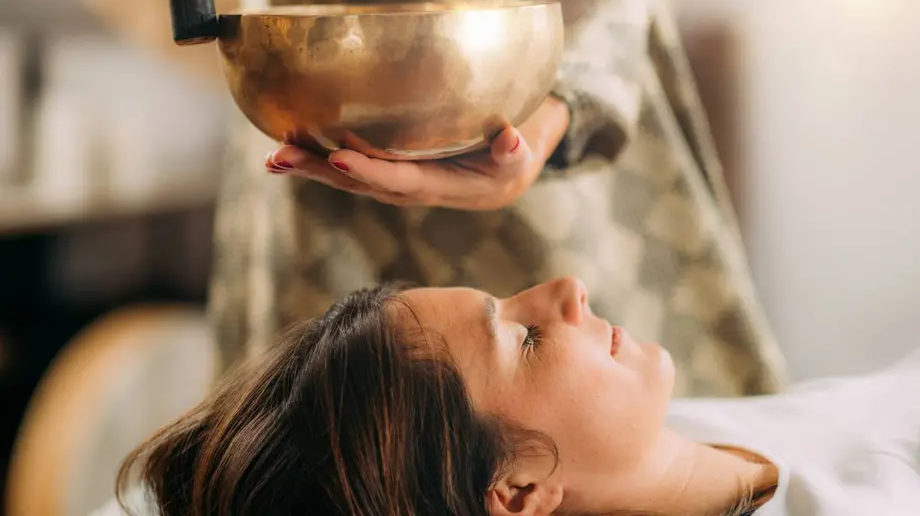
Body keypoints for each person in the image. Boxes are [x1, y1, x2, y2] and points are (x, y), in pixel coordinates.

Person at [56, 0, 786, 396]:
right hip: (303, 136)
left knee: (608, 441)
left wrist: (551, 115)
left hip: (542, 124)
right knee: (325, 465)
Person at [105, 278, 920, 516]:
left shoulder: (655, 446)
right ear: (521, 491)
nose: (568, 287)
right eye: (526, 338)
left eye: (510, 301)